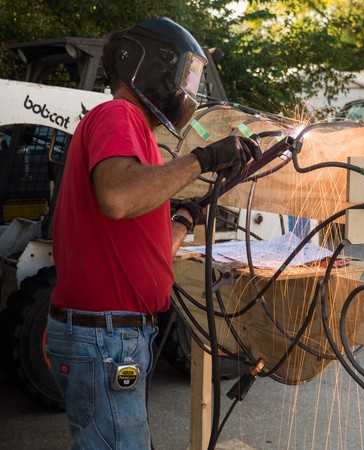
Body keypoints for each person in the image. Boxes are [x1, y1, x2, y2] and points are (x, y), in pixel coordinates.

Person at [45, 17, 261, 449]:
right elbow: (119, 197)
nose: (191, 89)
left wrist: (184, 216)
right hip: (105, 337)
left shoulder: (136, 137)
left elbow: (143, 245)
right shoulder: (119, 114)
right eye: (188, 74)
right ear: (150, 64)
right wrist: (203, 159)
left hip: (111, 335)